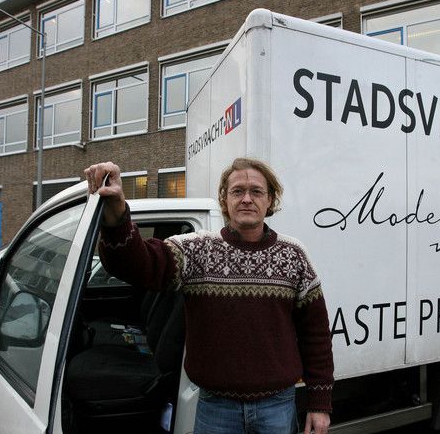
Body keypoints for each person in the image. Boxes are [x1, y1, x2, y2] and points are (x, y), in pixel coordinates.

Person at [85, 158, 334, 434]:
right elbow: (136, 264)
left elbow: (317, 336)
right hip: (216, 409)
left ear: (271, 199)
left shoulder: (294, 255)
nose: (247, 199)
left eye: (257, 191)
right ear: (225, 199)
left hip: (277, 406)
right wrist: (117, 214)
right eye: (237, 191)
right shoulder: (196, 249)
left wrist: (319, 404)